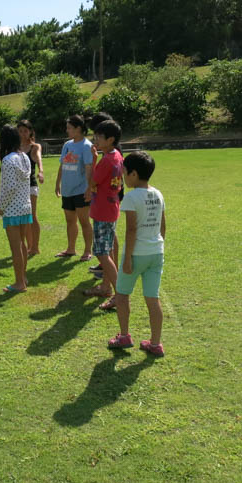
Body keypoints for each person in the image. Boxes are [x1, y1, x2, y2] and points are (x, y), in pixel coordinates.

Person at [107, 151, 167, 357]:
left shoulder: (131, 197)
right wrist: (157, 246)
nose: (123, 176)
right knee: (153, 299)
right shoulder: (158, 194)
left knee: (122, 295)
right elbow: (162, 226)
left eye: (124, 172)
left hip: (136, 254)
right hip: (156, 253)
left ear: (133, 174)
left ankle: (124, 336)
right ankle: (156, 343)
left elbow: (131, 230)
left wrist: (127, 260)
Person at [84, 120, 123, 305]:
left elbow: (92, 181)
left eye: (99, 137)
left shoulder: (107, 159)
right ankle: (106, 287)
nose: (96, 140)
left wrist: (92, 159)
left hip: (103, 211)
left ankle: (119, 293)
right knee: (107, 250)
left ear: (111, 139)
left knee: (101, 253)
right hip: (111, 207)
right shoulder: (116, 156)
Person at [0, 124, 32, 293]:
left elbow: (9, 188)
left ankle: (19, 283)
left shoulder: (8, 160)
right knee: (22, 244)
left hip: (12, 208)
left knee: (16, 247)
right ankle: (22, 277)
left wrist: (0, 207)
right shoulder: (24, 156)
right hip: (25, 206)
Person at [55, 115, 94, 261]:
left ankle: (87, 251)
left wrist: (89, 188)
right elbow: (62, 165)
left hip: (81, 190)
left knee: (84, 222)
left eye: (69, 128)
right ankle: (71, 249)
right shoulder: (67, 145)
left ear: (78, 129)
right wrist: (57, 183)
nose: (67, 130)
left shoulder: (86, 146)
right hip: (67, 190)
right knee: (70, 221)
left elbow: (89, 168)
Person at [17, 119, 44, 256]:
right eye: (20, 131)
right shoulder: (15, 147)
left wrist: (41, 171)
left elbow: (39, 158)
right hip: (18, 187)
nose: (22, 134)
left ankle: (35, 247)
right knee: (24, 217)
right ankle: (29, 247)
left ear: (30, 132)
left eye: (25, 131)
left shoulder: (35, 147)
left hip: (31, 185)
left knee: (32, 216)